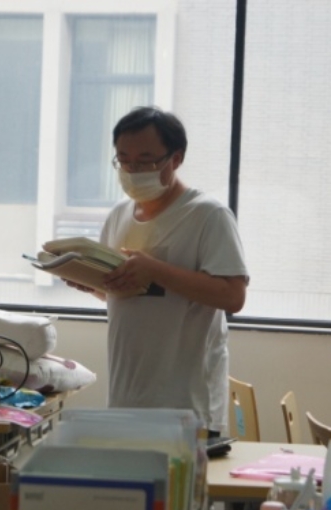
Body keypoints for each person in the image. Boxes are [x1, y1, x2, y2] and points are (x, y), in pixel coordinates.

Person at [67, 106, 249, 437]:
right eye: (124, 160)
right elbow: (129, 294)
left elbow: (233, 296)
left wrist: (155, 270)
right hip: (126, 397)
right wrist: (89, 280)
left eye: (145, 161)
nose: (133, 170)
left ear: (175, 159)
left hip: (187, 405)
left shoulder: (208, 216)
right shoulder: (119, 215)